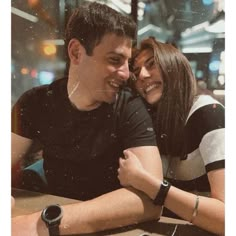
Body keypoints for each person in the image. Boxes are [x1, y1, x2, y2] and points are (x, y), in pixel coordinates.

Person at [11, 3, 163, 235]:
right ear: (76, 52)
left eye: (126, 62)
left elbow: (153, 200)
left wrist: (44, 224)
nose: (125, 73)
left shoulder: (129, 106)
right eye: (114, 60)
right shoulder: (35, 102)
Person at [118, 37, 225, 235]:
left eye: (152, 64)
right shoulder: (148, 119)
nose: (142, 75)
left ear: (174, 66)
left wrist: (148, 184)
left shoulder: (209, 114)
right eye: (136, 71)